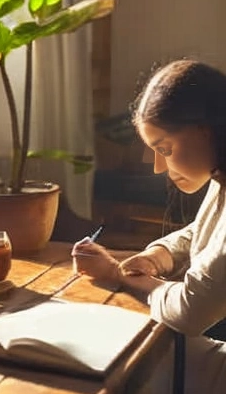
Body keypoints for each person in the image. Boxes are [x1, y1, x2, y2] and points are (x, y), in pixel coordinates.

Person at [72, 59, 226, 393]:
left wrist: (117, 273)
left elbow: (190, 310)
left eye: (165, 149)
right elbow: (203, 233)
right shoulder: (221, 176)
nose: (157, 167)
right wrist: (158, 255)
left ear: (206, 130)